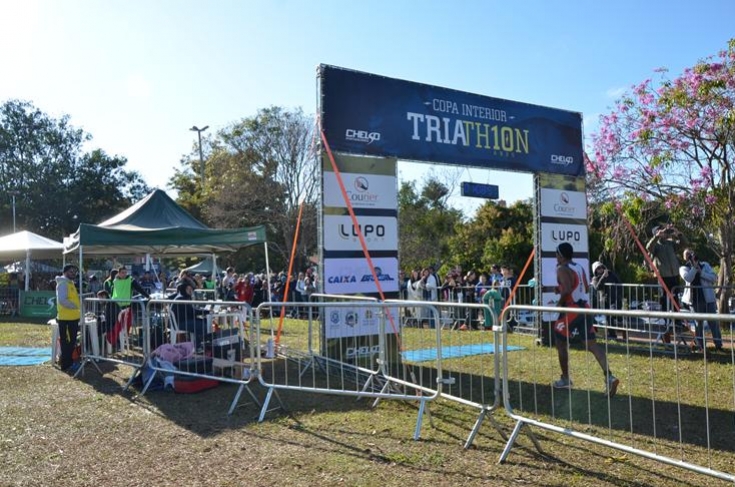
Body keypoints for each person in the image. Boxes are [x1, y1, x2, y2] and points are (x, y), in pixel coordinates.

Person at [552, 243, 619, 397]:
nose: (556, 257)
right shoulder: (579, 267)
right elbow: (586, 289)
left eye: (557, 254)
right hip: (585, 308)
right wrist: (561, 289)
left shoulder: (562, 268)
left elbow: (568, 289)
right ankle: (609, 376)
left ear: (560, 255)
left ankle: (565, 379)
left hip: (571, 309)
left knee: (560, 342)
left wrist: (558, 303)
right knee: (592, 345)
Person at [679, 248, 723, 352]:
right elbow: (688, 278)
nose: (690, 256)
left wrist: (701, 272)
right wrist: (694, 268)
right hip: (695, 301)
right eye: (687, 255)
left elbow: (714, 278)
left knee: (713, 323)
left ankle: (718, 344)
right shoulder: (683, 268)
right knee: (698, 325)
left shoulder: (705, 265)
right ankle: (701, 346)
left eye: (691, 254)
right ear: (685, 258)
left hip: (709, 299)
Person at [646, 224, 686, 313]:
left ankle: (677, 321)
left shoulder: (670, 243)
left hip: (674, 275)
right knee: (664, 299)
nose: (663, 233)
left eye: (663, 231)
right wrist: (656, 237)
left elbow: (684, 244)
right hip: (663, 277)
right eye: (660, 231)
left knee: (675, 298)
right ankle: (665, 321)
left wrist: (677, 233)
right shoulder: (655, 245)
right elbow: (648, 247)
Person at [55, 264, 81, 372]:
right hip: (66, 318)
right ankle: (66, 365)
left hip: (72, 317)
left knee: (71, 342)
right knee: (67, 343)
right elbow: (62, 300)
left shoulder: (70, 283)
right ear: (65, 272)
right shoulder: (62, 283)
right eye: (71, 271)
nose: (73, 273)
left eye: (75, 272)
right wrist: (75, 306)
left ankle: (68, 363)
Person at [590, 261, 623, 340]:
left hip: (615, 299)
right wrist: (603, 277)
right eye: (598, 268)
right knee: (609, 318)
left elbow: (618, 283)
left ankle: (619, 319)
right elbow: (597, 287)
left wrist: (619, 294)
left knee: (614, 313)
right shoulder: (595, 279)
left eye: (601, 267)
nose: (600, 269)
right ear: (595, 270)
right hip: (605, 300)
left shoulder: (611, 274)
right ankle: (612, 335)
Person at [171, 281, 210, 346]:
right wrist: (206, 311)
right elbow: (192, 312)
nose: (190, 291)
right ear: (184, 289)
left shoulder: (182, 297)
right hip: (181, 323)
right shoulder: (181, 299)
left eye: (191, 289)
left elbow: (191, 311)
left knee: (205, 322)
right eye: (188, 289)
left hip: (183, 321)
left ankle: (201, 344)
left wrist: (204, 311)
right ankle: (198, 346)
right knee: (202, 326)